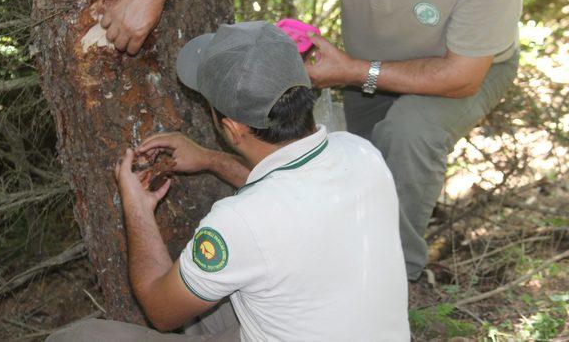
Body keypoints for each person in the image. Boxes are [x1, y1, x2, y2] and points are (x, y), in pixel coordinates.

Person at [99, 0, 524, 281]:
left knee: (409, 134)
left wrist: (352, 72)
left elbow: (462, 76)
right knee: (357, 163)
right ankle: (339, 262)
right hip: (370, 59)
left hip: (465, 67)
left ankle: (396, 276)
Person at [48, 21, 409, 341]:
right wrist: (209, 159)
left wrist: (137, 209)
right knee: (215, 295)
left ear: (232, 128)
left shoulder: (238, 223)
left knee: (76, 337)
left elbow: (160, 310)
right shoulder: (362, 154)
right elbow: (287, 198)